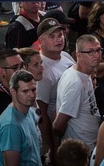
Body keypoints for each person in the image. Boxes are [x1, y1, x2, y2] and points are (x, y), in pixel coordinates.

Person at [36, 16, 75, 158]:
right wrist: (51, 147)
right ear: (41, 41)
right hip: (60, 132)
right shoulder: (43, 71)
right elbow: (42, 113)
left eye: (60, 35)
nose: (59, 39)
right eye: (52, 36)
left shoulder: (65, 56)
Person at [54, 35, 103, 147]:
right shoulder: (76, 83)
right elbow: (58, 125)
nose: (96, 55)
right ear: (79, 55)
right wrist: (56, 152)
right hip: (81, 148)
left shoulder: (84, 74)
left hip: (89, 144)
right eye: (90, 52)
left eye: (98, 50)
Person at [0, 70, 42, 166]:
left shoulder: (29, 111)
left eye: (33, 90)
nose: (32, 95)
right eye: (25, 91)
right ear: (13, 91)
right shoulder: (10, 126)